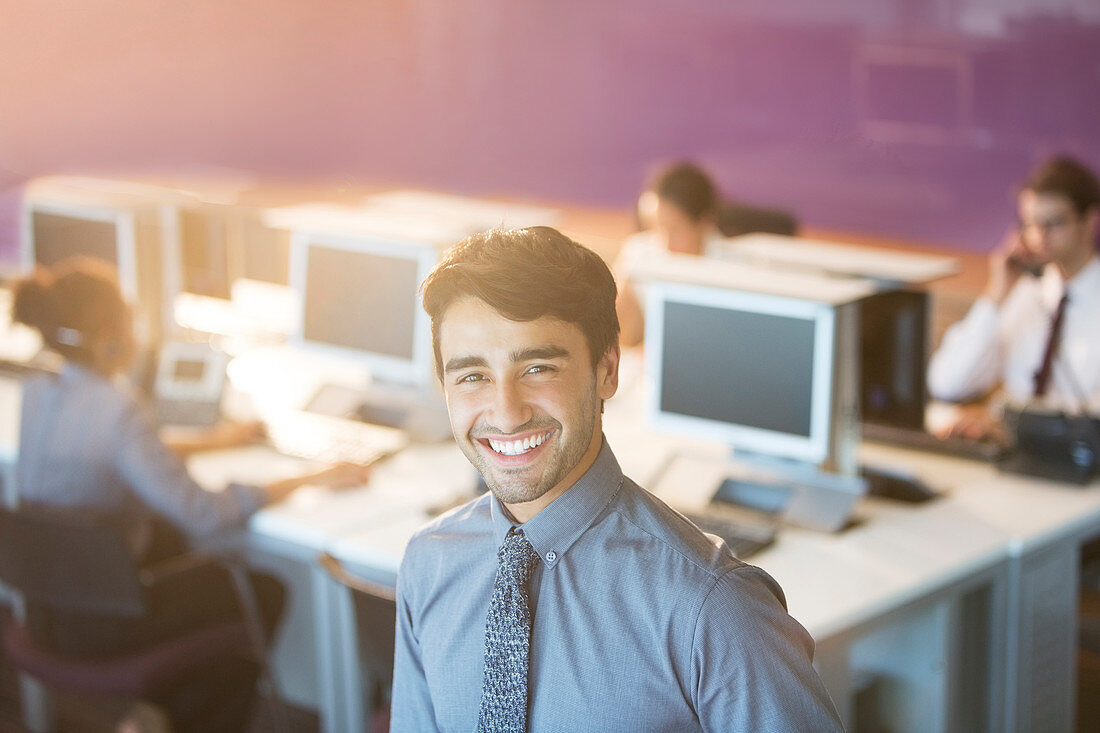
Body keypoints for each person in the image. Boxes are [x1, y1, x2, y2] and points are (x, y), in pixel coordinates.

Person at [392, 227, 840, 731]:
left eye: (538, 368)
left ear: (607, 369)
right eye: (472, 376)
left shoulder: (715, 607)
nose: (507, 412)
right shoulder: (428, 563)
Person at [10, 257, 372, 732]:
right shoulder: (118, 408)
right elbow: (205, 514)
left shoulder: (38, 391)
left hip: (49, 612)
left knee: (172, 547)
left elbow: (116, 451)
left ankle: (160, 714)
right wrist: (312, 477)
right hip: (106, 625)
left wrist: (217, 440)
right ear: (112, 336)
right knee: (261, 591)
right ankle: (185, 715)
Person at [927, 156, 1100, 439]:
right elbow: (947, 383)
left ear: (1090, 220)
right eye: (1030, 224)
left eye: (1053, 224)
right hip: (1009, 462)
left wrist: (1003, 422)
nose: (1038, 237)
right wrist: (996, 295)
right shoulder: (1023, 293)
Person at [614, 161, 725, 346]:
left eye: (675, 229)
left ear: (704, 222)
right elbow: (619, 332)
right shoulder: (639, 252)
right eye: (656, 228)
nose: (664, 244)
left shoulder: (731, 269)